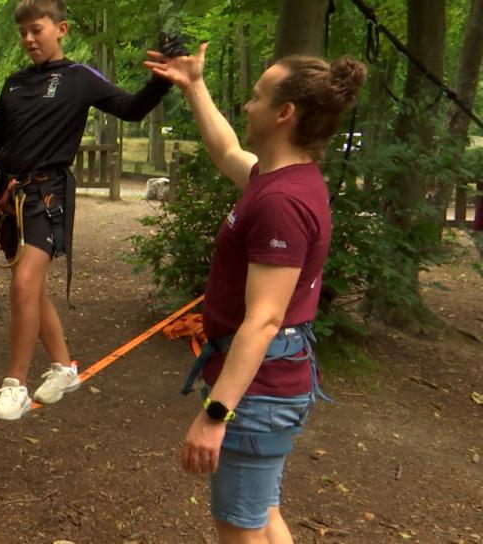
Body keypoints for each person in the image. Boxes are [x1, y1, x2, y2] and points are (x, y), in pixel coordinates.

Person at [0, 0, 180, 420]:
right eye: (22, 32)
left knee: (24, 285)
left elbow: (131, 109)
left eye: (36, 30)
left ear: (60, 29)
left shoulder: (80, 78)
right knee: (33, 291)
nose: (28, 39)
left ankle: (15, 385)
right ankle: (64, 368)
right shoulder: (14, 83)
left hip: (47, 197)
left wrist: (162, 79)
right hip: (9, 200)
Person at [145, 43, 366, 541]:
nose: (246, 106)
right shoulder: (279, 179)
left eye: (257, 97)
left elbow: (264, 318)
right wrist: (194, 85)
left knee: (240, 529)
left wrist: (216, 414)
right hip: (270, 381)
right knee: (262, 517)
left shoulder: (281, 202)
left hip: (259, 390)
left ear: (284, 113)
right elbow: (226, 151)